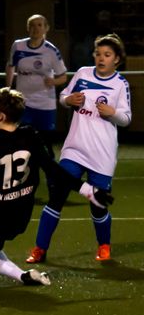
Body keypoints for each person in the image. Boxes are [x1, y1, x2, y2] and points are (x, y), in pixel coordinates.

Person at [0, 87, 109, 287]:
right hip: (19, 214)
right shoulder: (30, 135)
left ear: (1, 115)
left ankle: (22, 275)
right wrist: (88, 190)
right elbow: (53, 169)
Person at [26, 34, 131, 264]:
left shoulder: (120, 84)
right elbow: (63, 98)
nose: (100, 58)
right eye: (98, 54)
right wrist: (69, 100)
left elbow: (126, 118)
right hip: (74, 149)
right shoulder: (83, 73)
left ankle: (104, 246)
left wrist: (112, 113)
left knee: (98, 203)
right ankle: (39, 249)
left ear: (117, 60)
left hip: (102, 154)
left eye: (107, 55)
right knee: (57, 198)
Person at [5, 14, 68, 191]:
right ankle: (24, 185)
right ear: (28, 28)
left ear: (46, 29)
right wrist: (8, 89)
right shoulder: (18, 46)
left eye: (40, 25)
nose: (36, 28)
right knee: (22, 145)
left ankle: (53, 184)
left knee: (45, 148)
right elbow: (11, 66)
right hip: (24, 104)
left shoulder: (51, 51)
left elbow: (63, 75)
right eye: (32, 25)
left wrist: (54, 81)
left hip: (45, 105)